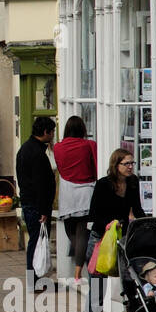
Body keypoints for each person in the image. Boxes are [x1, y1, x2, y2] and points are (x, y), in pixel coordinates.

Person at [80, 148, 148, 312]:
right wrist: (110, 224)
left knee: (131, 280)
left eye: (132, 163)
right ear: (115, 165)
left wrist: (145, 223)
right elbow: (94, 214)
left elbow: (136, 209)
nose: (130, 167)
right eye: (126, 163)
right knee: (97, 283)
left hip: (122, 237)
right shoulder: (103, 185)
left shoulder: (133, 182)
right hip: (101, 239)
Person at [52, 116, 97, 282]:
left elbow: (60, 167)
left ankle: (79, 268)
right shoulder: (89, 145)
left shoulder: (58, 147)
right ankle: (81, 268)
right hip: (87, 191)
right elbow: (96, 166)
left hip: (68, 192)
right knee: (83, 232)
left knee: (71, 231)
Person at [15, 116, 57, 288]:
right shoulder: (36, 153)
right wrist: (43, 211)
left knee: (36, 242)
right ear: (45, 132)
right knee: (37, 243)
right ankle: (35, 280)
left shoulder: (27, 148)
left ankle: (36, 279)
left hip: (30, 203)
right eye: (52, 132)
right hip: (36, 206)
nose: (53, 135)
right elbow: (40, 185)